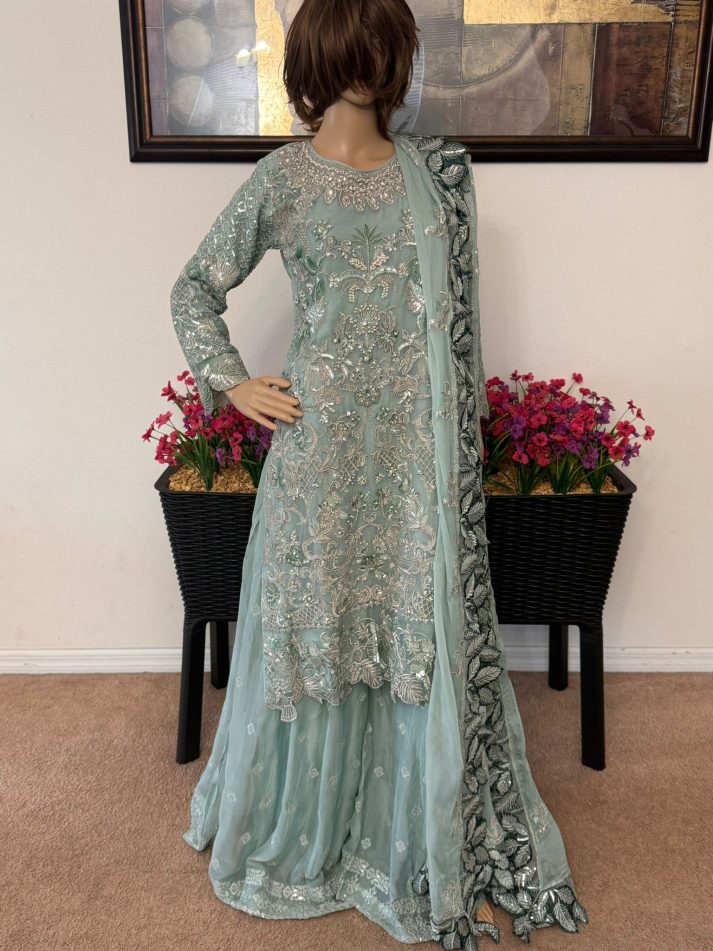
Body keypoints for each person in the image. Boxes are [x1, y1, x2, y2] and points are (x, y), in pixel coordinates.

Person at [171, 0, 590, 947]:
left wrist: (460, 455)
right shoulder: (281, 179)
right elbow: (193, 286)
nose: (365, 68)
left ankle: (404, 834)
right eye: (349, 48)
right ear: (319, 57)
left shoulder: (438, 178)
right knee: (317, 625)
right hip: (319, 455)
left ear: (397, 59)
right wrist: (232, 382)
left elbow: (458, 336)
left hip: (414, 460)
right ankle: (301, 835)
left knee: (410, 628)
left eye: (381, 49)